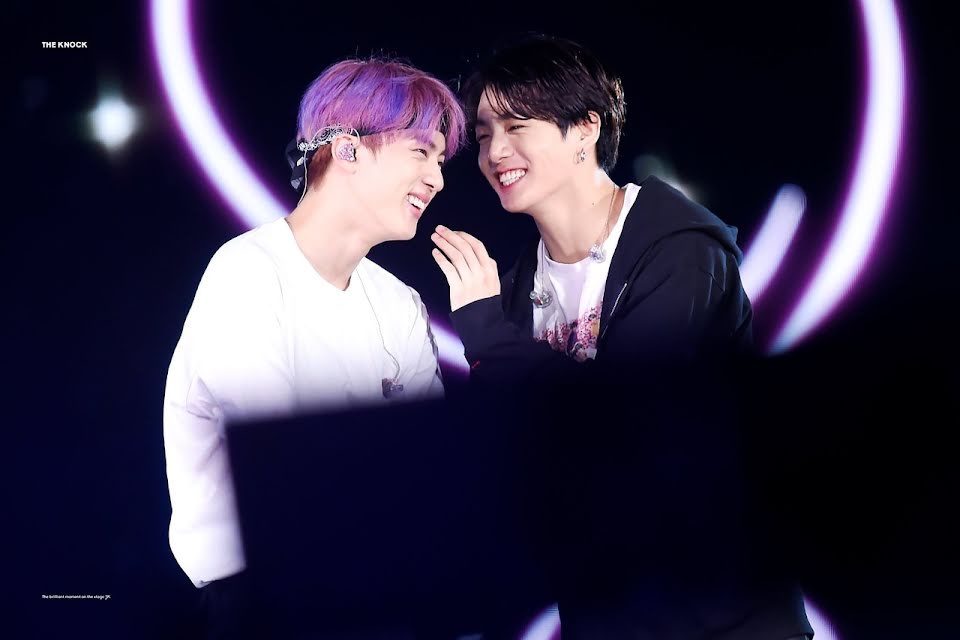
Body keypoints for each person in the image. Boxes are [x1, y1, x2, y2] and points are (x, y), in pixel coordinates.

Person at [431, 36, 814, 639]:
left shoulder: (680, 248)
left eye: (517, 126)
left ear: (586, 129)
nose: (495, 151)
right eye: (483, 135)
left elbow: (623, 421)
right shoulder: (515, 291)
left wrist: (485, 330)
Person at [163, 56, 466, 637]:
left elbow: (427, 471)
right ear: (348, 149)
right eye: (421, 152)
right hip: (262, 603)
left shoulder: (398, 303)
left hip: (378, 593)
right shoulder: (248, 272)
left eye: (439, 160)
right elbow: (288, 469)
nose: (437, 179)